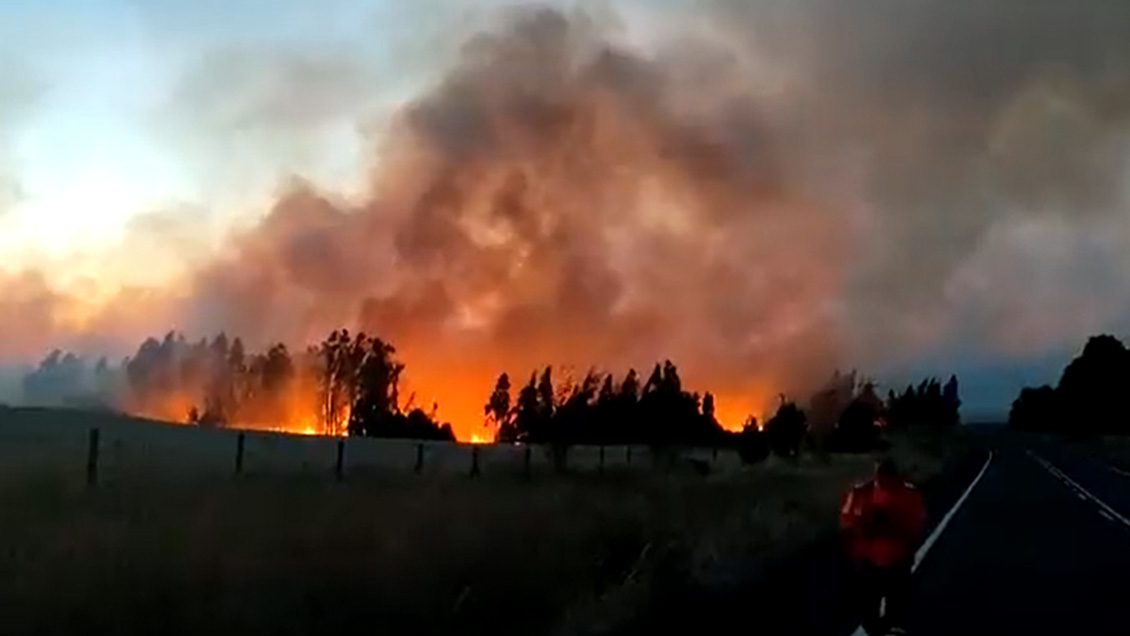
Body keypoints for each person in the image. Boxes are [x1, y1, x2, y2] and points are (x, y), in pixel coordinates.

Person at [840, 457, 926, 636]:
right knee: (888, 603)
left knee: (878, 604)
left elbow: (846, 521)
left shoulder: (862, 492)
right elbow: (916, 525)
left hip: (881, 557)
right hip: (885, 557)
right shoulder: (906, 493)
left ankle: (884, 626)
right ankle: (888, 626)